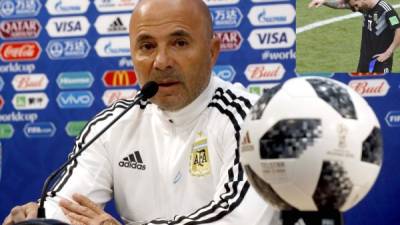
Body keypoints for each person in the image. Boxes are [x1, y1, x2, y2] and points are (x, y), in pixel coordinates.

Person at [2, 0, 275, 225]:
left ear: (212, 51)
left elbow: (236, 220)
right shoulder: (113, 125)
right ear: (133, 55)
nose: (162, 62)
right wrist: (41, 217)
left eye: (179, 43)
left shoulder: (252, 119)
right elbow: (72, 207)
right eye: (147, 46)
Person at [308, 0, 400, 73]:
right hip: (364, 60)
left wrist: (389, 52)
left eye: (356, 5)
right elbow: (341, 5)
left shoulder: (386, 10)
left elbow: (398, 29)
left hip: (380, 61)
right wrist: (324, 2)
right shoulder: (363, 7)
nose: (355, 9)